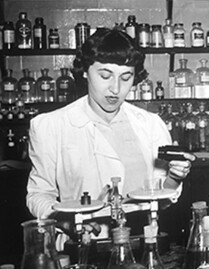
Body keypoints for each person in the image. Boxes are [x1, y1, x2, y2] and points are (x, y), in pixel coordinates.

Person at [26, 29, 194, 226]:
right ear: (86, 72)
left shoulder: (150, 124)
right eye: (105, 76)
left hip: (143, 237)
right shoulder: (50, 125)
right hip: (81, 245)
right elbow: (38, 195)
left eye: (125, 78)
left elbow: (162, 199)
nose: (115, 88)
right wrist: (66, 222)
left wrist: (174, 177)